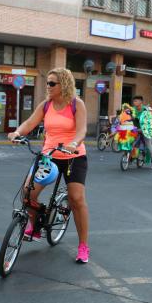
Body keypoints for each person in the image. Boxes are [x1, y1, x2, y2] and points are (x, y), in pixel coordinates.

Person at [7, 67, 90, 263]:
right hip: (49, 155)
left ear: (64, 85)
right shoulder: (46, 105)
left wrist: (74, 143)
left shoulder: (77, 104)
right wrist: (17, 133)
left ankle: (83, 246)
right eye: (47, 82)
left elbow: (82, 130)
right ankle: (35, 226)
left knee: (76, 199)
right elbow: (29, 123)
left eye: (52, 83)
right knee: (28, 192)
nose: (48, 86)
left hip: (73, 156)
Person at [132, 95, 152, 169]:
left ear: (141, 102)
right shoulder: (132, 109)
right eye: (134, 101)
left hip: (145, 129)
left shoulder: (145, 110)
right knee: (131, 142)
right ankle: (131, 156)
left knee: (148, 145)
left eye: (136, 101)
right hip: (135, 128)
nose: (134, 102)